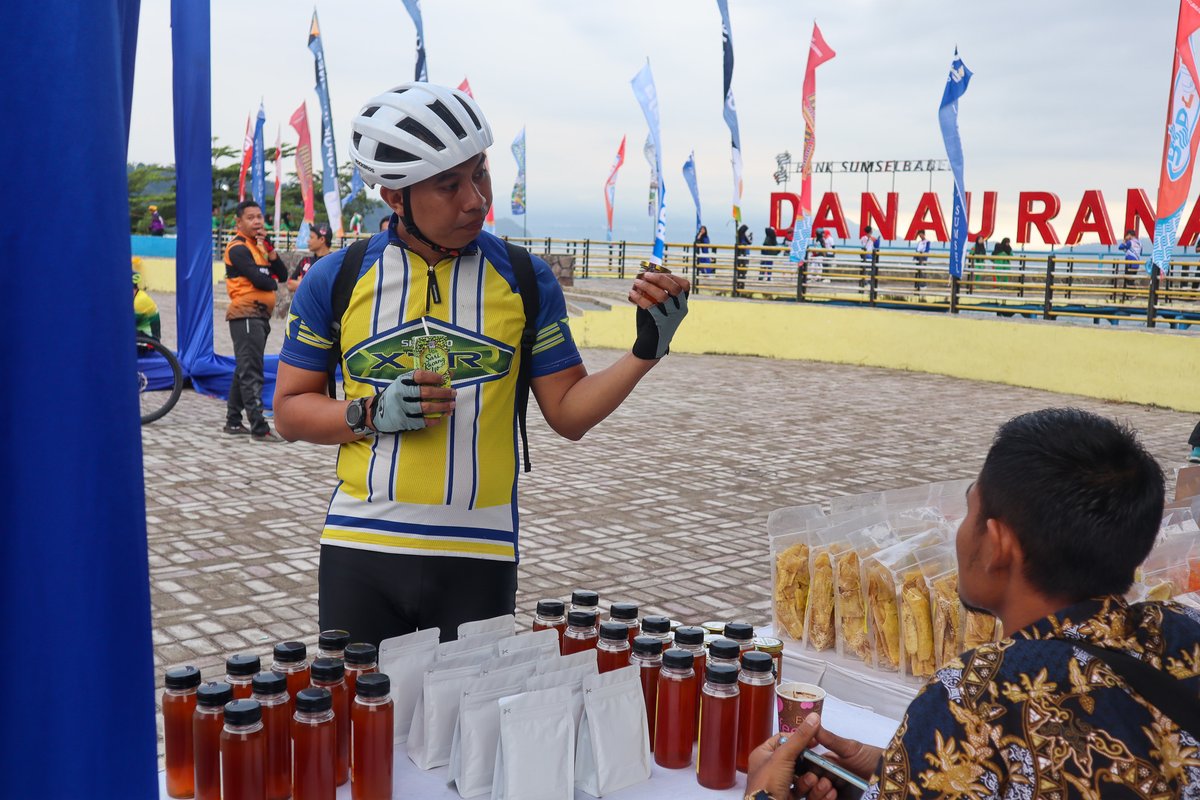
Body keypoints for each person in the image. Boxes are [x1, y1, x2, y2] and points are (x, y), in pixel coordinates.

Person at [272, 82, 690, 647]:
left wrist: (646, 351)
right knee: (361, 733)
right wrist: (371, 412)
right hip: (361, 549)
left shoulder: (523, 277)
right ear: (395, 197)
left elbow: (568, 414)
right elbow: (291, 413)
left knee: (466, 736)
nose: (476, 199)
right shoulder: (336, 278)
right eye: (449, 185)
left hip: (479, 553)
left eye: (480, 174)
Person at [745, 407, 1200, 800]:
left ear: (998, 544)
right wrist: (898, 766)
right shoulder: (1184, 632)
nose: (959, 535)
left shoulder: (976, 694)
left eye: (970, 513)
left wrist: (763, 791)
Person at [223, 200, 289, 441]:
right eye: (251, 217)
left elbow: (280, 275)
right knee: (252, 370)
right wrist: (267, 278)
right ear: (239, 222)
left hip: (258, 315)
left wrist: (270, 250)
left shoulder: (258, 247)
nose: (257, 221)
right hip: (246, 314)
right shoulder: (238, 248)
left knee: (244, 367)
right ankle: (259, 427)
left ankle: (232, 421)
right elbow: (263, 280)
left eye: (260, 216)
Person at [288, 222, 334, 292]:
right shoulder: (305, 261)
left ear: (322, 239)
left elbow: (328, 288)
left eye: (311, 237)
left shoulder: (333, 262)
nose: (308, 241)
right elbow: (290, 285)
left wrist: (302, 283)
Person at [132, 271, 161, 340]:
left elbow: (125, 325)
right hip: (143, 336)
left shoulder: (140, 301)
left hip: (151, 340)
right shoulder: (137, 295)